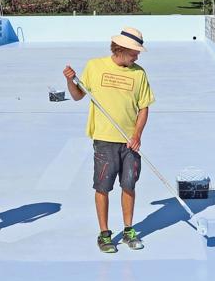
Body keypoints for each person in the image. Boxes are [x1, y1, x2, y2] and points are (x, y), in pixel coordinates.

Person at [63, 27, 155, 253]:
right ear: (122, 49)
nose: (137, 56)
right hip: (104, 140)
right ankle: (104, 234)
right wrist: (70, 81)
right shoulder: (95, 66)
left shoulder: (139, 73)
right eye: (135, 52)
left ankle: (128, 230)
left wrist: (137, 136)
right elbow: (77, 96)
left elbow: (144, 108)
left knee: (129, 185)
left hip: (129, 143)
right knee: (103, 187)